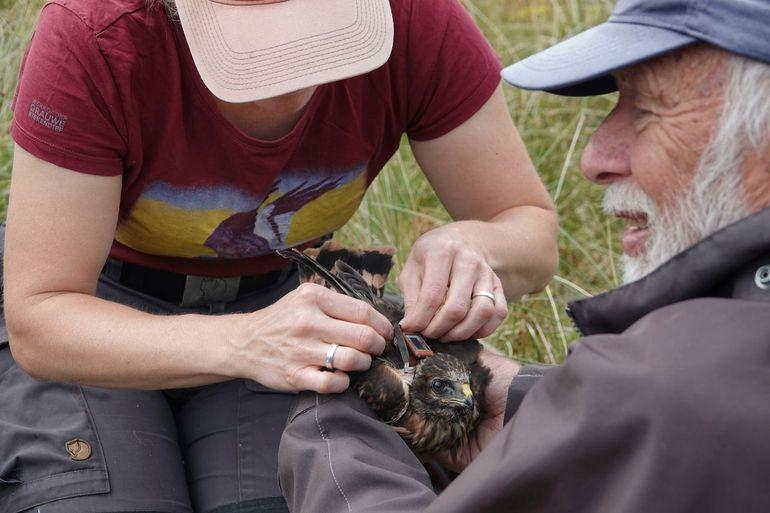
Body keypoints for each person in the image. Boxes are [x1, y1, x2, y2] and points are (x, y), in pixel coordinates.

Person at [0, 0, 558, 511]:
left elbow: (530, 232)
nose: (297, 78)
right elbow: (41, 318)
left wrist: (471, 244)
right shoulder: (96, 37)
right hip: (98, 314)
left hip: (285, 306)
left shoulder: (412, 18)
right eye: (252, 49)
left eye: (328, 35)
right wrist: (241, 343)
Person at [277, 0, 770, 511]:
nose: (593, 157)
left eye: (649, 110)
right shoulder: (713, 373)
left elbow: (697, 406)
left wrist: (336, 424)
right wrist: (543, 402)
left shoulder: (689, 381)